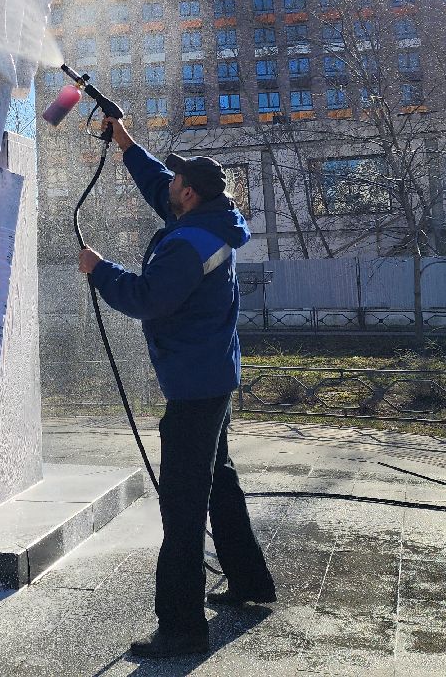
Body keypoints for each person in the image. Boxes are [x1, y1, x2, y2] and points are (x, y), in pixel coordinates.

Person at [78, 116, 276, 659]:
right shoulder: (211, 221)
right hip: (213, 375)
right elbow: (157, 181)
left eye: (176, 183)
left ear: (188, 195)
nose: (169, 186)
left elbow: (147, 299)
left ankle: (182, 627)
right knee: (219, 480)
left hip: (193, 388)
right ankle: (249, 580)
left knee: (183, 507)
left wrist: (98, 270)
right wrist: (125, 143)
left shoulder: (187, 245)